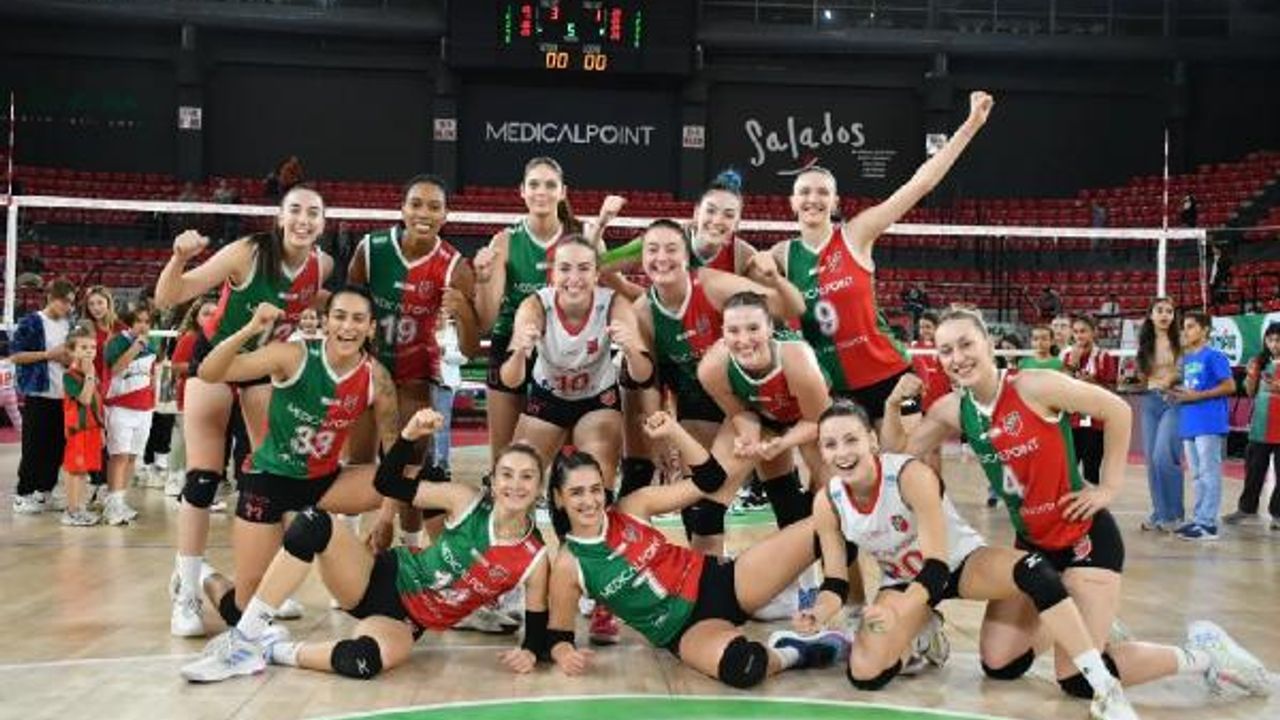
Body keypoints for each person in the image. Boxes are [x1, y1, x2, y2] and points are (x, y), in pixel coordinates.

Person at [882, 308, 1272, 703]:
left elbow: (1117, 410)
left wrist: (1108, 487)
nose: (958, 357)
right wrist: (893, 406)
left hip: (1084, 539)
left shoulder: (1034, 385)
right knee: (999, 663)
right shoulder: (952, 409)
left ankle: (1206, 655)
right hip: (1033, 547)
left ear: (989, 344)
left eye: (966, 344)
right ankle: (1082, 621)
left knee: (1078, 681)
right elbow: (897, 456)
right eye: (946, 350)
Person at [807, 400, 1139, 719]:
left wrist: (899, 611)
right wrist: (818, 613)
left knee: (1035, 572)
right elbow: (836, 581)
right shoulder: (827, 501)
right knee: (865, 673)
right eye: (830, 444)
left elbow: (936, 569)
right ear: (821, 452)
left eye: (851, 440)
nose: (842, 453)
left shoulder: (910, 476)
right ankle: (923, 632)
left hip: (958, 563)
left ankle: (1102, 681)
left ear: (872, 439)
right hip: (903, 582)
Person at [180, 410, 551, 684]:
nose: (515, 485)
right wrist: (407, 436)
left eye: (527, 477)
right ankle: (244, 640)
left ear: (539, 487)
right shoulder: (465, 500)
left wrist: (531, 652)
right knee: (313, 523)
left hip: (405, 622)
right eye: (506, 475)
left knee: (363, 662)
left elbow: (535, 632)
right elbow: (387, 484)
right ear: (493, 481)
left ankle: (267, 646)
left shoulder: (534, 557)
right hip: (376, 577)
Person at [547, 413, 848, 689]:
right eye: (576, 492)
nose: (590, 501)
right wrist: (564, 654)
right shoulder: (568, 564)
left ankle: (839, 600)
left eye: (595, 489)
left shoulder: (633, 506)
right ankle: (795, 651)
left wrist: (673, 431)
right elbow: (559, 634)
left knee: (835, 519)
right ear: (559, 498)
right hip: (686, 629)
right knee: (743, 666)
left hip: (721, 581)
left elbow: (710, 480)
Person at [154, 185, 333, 637]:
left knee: (275, 479)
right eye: (295, 210)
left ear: (323, 223)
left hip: (259, 370)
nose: (303, 220)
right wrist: (179, 258)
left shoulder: (322, 266)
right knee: (202, 480)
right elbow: (168, 297)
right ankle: (187, 592)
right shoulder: (246, 253)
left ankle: (264, 587)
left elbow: (314, 304)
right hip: (215, 362)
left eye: (313, 213)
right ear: (280, 217)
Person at [770, 91, 994, 429]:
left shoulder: (856, 234)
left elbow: (921, 184)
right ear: (792, 202)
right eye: (804, 192)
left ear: (835, 202)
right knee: (848, 463)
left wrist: (971, 125)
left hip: (893, 374)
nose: (813, 199)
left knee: (908, 457)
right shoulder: (780, 256)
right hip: (836, 389)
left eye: (822, 192)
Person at [195, 288, 402, 629]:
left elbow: (395, 455)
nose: (348, 327)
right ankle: (203, 574)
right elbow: (209, 372)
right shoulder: (292, 355)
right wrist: (251, 328)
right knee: (242, 613)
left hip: (324, 482)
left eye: (358, 319)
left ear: (371, 327)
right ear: (325, 321)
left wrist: (386, 519)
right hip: (270, 479)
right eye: (340, 316)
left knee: (422, 480)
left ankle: (428, 581)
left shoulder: (377, 377)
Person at [624, 218, 803, 555]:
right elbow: (650, 379)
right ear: (643, 258)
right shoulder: (642, 311)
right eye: (652, 250)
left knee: (780, 486)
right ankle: (708, 575)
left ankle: (803, 576)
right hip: (698, 400)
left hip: (751, 396)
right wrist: (657, 434)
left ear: (687, 255)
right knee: (701, 503)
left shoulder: (713, 284)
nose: (661, 257)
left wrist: (775, 281)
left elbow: (786, 308)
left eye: (671, 249)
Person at [346, 174, 480, 547]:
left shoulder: (455, 266)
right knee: (357, 463)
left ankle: (408, 551)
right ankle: (346, 546)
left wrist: (463, 310)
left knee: (407, 471)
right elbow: (348, 311)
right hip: (367, 370)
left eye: (434, 207)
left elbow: (470, 348)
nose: (424, 213)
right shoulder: (370, 249)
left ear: (446, 215)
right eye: (416, 204)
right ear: (402, 208)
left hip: (416, 376)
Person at [501, 236, 651, 492]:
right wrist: (519, 354)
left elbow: (643, 375)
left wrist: (631, 350)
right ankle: (545, 508)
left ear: (596, 274)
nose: (574, 278)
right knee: (518, 476)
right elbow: (510, 379)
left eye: (583, 268)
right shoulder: (535, 306)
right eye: (565, 268)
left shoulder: (614, 304)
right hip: (547, 397)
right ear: (553, 274)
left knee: (595, 478)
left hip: (597, 399)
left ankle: (593, 513)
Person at [697, 291, 832, 533]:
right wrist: (749, 438)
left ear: (770, 328)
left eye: (753, 328)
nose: (743, 340)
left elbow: (818, 420)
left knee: (833, 497)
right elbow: (739, 412)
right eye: (733, 331)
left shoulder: (796, 358)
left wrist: (783, 443)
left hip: (814, 418)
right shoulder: (711, 369)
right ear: (722, 332)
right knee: (713, 504)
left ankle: (833, 552)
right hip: (765, 415)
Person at [474, 157, 581, 462]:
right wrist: (483, 280)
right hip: (513, 343)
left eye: (550, 185)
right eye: (534, 184)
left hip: (564, 350)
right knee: (504, 456)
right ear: (522, 191)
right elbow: (487, 320)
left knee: (565, 455)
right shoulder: (504, 241)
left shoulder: (582, 239)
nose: (541, 192)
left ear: (563, 192)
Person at [10, 277, 75, 514]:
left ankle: (45, 491)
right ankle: (23, 493)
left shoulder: (69, 325)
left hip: (63, 394)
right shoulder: (31, 321)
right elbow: (15, 356)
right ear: (51, 298)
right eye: (65, 302)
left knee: (57, 447)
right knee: (33, 447)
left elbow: (70, 356)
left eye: (71, 303)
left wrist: (68, 359)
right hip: (38, 393)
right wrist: (48, 355)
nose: (68, 307)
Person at [1168, 311, 1235, 541]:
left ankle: (1208, 524)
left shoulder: (1214, 356)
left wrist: (1198, 396)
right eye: (1184, 327)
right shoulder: (1186, 359)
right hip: (1190, 422)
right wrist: (1174, 393)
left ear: (1205, 330)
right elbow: (1189, 389)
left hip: (1209, 421)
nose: (1185, 331)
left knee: (1209, 472)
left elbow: (1229, 386)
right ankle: (1199, 519)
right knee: (1197, 475)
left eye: (1191, 326)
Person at [101, 300, 158, 525]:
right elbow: (115, 369)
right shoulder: (116, 342)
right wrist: (135, 348)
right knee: (119, 456)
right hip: (120, 407)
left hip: (145, 408)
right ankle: (112, 505)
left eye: (147, 322)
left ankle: (120, 500)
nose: (143, 326)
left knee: (133, 456)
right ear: (130, 323)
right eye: (139, 321)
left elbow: (151, 372)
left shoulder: (152, 344)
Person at [1224, 322, 1280, 529]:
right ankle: (1246, 509)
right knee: (1254, 471)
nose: (1274, 344)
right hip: (1260, 426)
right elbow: (1249, 392)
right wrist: (1250, 375)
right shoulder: (1259, 362)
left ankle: (1278, 515)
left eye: (1278, 340)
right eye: (1270, 340)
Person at [1135, 298, 1183, 532]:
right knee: (1152, 462)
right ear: (1151, 315)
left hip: (1173, 401)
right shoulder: (1144, 343)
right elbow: (1143, 378)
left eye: (1169, 311)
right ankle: (1159, 513)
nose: (1165, 315)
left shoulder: (1181, 340)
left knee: (1164, 457)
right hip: (1150, 401)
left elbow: (1184, 370)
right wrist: (1132, 378)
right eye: (1160, 311)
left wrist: (1171, 379)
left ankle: (1174, 515)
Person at [1062, 316, 1118, 486]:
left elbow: (1112, 391)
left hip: (1095, 423)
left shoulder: (1103, 357)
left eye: (1083, 331)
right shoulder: (1067, 356)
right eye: (1076, 332)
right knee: (1067, 471)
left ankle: (1092, 503)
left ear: (1094, 333)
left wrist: (1092, 382)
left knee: (1091, 471)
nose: (1079, 336)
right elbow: (1061, 388)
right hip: (1072, 421)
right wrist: (1072, 365)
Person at [80, 285, 124, 497]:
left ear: (108, 303)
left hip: (117, 389)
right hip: (93, 388)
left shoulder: (120, 327)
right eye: (91, 304)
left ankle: (111, 485)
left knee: (115, 438)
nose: (96, 307)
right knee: (97, 437)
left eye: (100, 303)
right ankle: (98, 482)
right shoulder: (85, 328)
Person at [61, 323, 105, 527]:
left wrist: (101, 428)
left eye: (93, 347)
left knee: (84, 470)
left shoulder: (92, 374)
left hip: (92, 428)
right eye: (84, 347)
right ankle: (71, 511)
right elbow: (85, 399)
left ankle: (80, 507)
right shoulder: (70, 376)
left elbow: (96, 404)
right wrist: (89, 375)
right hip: (77, 430)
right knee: (74, 470)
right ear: (72, 351)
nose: (89, 352)